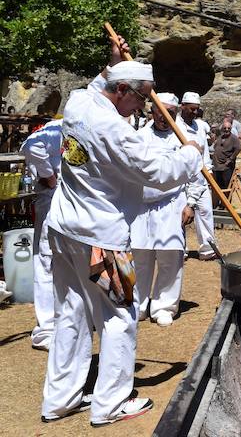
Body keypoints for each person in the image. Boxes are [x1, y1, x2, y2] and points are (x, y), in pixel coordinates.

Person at [41, 39, 201, 426]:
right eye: (140, 99)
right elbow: (159, 173)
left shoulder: (79, 102)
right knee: (120, 314)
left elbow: (96, 84)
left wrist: (114, 62)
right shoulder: (115, 130)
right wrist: (192, 152)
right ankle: (110, 403)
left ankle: (60, 400)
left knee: (72, 312)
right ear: (122, 90)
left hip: (63, 230)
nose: (143, 108)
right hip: (103, 240)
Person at [132, 94, 194, 327]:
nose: (164, 116)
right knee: (140, 256)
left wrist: (191, 203)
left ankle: (164, 305)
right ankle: (138, 304)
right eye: (160, 111)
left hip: (172, 203)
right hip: (140, 206)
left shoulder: (183, 138)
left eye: (170, 112)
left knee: (170, 256)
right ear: (152, 112)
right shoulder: (139, 137)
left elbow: (195, 172)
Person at [21, 117, 63, 351]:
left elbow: (32, 145)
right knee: (50, 262)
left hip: (68, 201)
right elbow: (32, 145)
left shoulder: (92, 124)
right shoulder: (58, 128)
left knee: (57, 263)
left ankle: (57, 324)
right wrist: (49, 176)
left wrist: (49, 176)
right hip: (58, 199)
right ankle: (48, 327)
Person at [178, 92, 217, 261]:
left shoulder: (200, 126)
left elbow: (205, 154)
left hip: (201, 178)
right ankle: (181, 249)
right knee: (181, 215)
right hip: (182, 179)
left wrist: (209, 172)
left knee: (206, 212)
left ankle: (208, 248)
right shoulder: (175, 126)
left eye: (197, 109)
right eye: (192, 109)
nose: (195, 112)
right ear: (183, 107)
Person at [211, 118, 241, 206]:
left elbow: (238, 148)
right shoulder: (220, 137)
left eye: (228, 128)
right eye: (225, 128)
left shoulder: (233, 138)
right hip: (217, 166)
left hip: (226, 166)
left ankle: (225, 205)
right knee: (218, 186)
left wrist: (231, 159)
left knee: (226, 186)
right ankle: (217, 203)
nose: (227, 130)